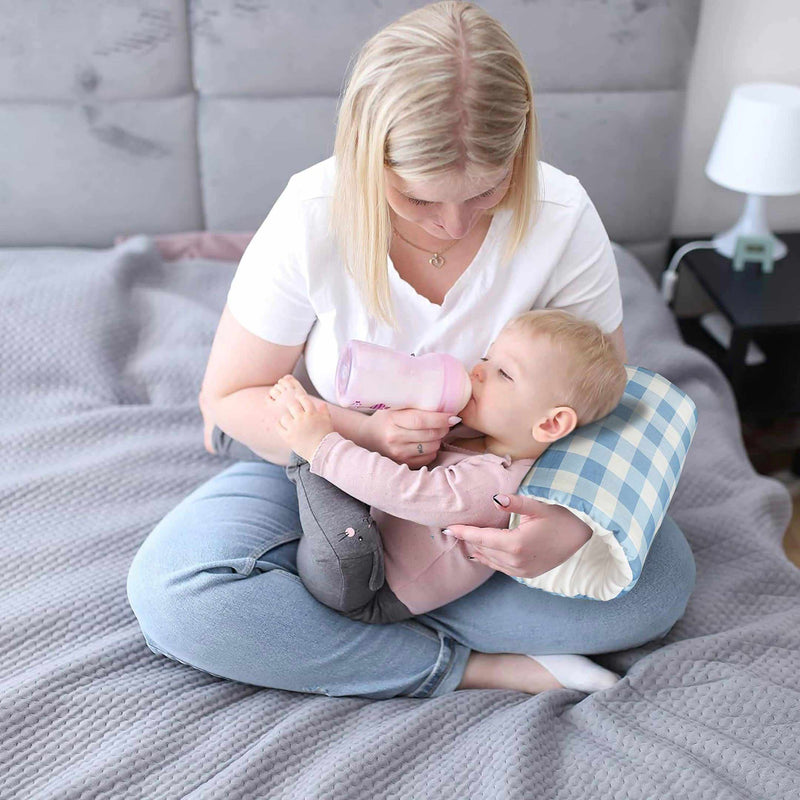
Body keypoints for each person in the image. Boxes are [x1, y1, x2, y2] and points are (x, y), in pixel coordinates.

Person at [126, 0, 696, 700]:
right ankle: (473, 665)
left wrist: (571, 525)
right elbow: (228, 396)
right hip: (329, 471)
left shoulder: (561, 215)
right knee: (179, 595)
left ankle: (340, 622)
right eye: (420, 201)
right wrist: (362, 435)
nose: (454, 225)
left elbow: (601, 399)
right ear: (369, 156)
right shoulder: (312, 214)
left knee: (658, 587)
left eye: (487, 191)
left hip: (494, 494)